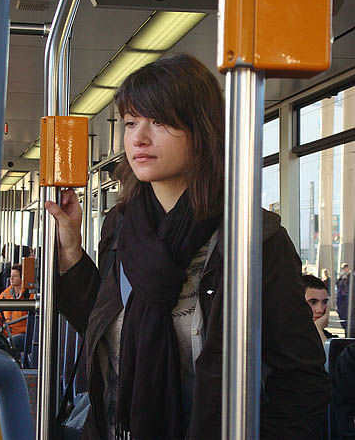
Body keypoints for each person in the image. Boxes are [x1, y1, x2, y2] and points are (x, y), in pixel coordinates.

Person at [46, 54, 330, 440]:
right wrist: (70, 250)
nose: (138, 138)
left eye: (159, 122)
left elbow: (300, 377)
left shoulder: (251, 237)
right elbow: (105, 329)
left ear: (201, 130)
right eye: (131, 122)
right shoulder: (122, 225)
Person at [0, 263, 33, 351]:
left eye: (14, 276)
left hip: (22, 334)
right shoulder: (5, 294)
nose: (11, 278)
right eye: (11, 276)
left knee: (7, 344)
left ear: (22, 278)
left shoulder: (30, 296)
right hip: (5, 333)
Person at [302, 274, 337, 345]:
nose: (320, 310)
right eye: (313, 302)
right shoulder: (282, 339)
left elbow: (328, 355)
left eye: (324, 302)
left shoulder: (330, 338)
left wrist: (318, 329)